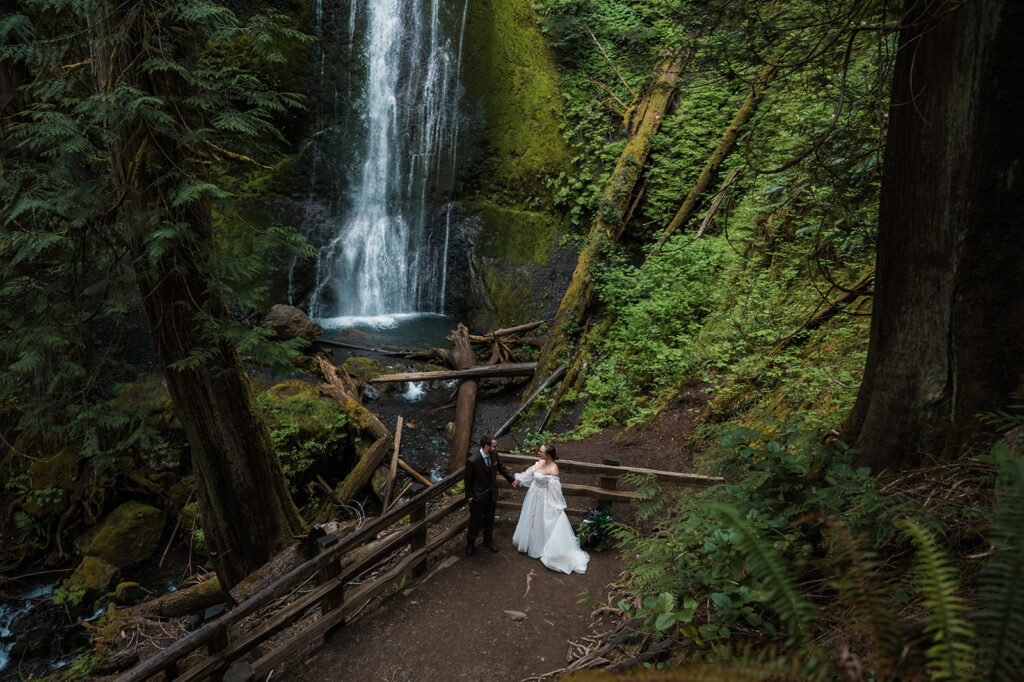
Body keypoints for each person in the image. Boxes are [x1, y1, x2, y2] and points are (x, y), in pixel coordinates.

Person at [511, 444, 589, 574]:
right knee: (530, 517)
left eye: (541, 452)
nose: (538, 453)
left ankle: (541, 546)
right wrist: (519, 479)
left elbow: (555, 490)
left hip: (544, 499)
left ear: (548, 455)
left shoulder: (554, 469)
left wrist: (559, 506)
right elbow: (530, 472)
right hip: (533, 495)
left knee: (542, 520)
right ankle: (528, 541)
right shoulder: (540, 462)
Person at [464, 434, 515, 556]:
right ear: (486, 446)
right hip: (478, 496)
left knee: (489, 519)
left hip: (491, 494)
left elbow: (501, 468)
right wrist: (470, 497)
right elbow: (468, 480)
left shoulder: (494, 455)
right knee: (475, 521)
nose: (496, 448)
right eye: (494, 446)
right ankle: (470, 543)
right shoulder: (473, 461)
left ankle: (488, 540)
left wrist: (511, 479)